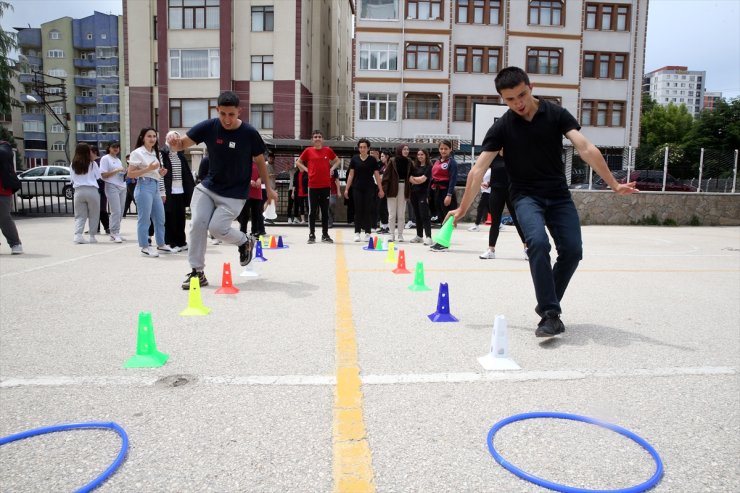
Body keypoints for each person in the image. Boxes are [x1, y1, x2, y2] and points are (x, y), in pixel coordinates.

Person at [448, 66, 637, 337]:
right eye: (510, 99)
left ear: (531, 86)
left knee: (572, 251)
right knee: (537, 243)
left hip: (559, 195)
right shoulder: (502, 126)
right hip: (525, 196)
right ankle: (550, 313)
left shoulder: (556, 114)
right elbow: (478, 170)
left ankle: (549, 306)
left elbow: (585, 148)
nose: (518, 103)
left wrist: (614, 184)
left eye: (522, 95)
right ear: (503, 98)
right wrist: (463, 208)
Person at [166, 91, 277, 289]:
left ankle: (244, 241)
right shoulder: (210, 126)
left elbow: (260, 161)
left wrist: (268, 188)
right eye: (223, 114)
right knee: (198, 224)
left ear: (239, 112)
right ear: (217, 110)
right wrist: (173, 142)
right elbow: (182, 144)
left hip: (234, 194)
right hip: (208, 187)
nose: (226, 119)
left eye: (231, 114)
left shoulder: (249, 133)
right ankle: (197, 272)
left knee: (217, 229)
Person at [127, 127, 172, 257]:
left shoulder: (154, 152)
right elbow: (130, 174)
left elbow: (155, 173)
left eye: (154, 136)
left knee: (160, 218)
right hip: (143, 186)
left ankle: (161, 244)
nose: (152, 139)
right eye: (149, 136)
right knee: (144, 219)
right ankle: (144, 247)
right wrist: (148, 168)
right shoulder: (137, 153)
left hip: (155, 185)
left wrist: (160, 173)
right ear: (142, 138)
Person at [478, 152, 528, 260]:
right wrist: (486, 182)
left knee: (517, 220)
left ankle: (527, 248)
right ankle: (491, 250)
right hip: (496, 191)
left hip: (512, 192)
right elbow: (481, 168)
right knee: (495, 222)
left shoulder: (515, 155)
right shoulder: (493, 156)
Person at [295, 130, 340, 244]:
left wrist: (331, 169)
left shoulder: (328, 150)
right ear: (312, 140)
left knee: (325, 211)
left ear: (322, 139)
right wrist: (307, 170)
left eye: (319, 136)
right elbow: (298, 162)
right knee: (312, 212)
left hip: (325, 186)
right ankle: (312, 235)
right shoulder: (308, 151)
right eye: (315, 137)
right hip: (313, 186)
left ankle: (325, 235)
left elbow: (337, 161)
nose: (317, 138)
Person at [344, 138, 384, 242]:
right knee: (358, 210)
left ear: (368, 148)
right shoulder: (355, 159)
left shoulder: (372, 160)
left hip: (369, 188)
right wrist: (347, 189)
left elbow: (377, 175)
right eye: (361, 147)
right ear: (358, 148)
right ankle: (357, 232)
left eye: (364, 147)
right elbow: (351, 175)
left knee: (367, 210)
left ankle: (367, 233)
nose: (362, 149)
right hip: (357, 188)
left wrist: (381, 189)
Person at [161, 142, 195, 251]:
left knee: (180, 217)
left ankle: (181, 242)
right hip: (169, 191)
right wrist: (162, 191)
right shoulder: (163, 154)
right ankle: (170, 242)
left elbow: (187, 174)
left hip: (180, 190)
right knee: (170, 218)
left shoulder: (180, 155)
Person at [429, 139, 459, 251]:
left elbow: (453, 180)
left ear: (450, 149)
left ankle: (444, 243)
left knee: (447, 218)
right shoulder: (437, 162)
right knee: (441, 217)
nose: (443, 151)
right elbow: (433, 178)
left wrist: (449, 194)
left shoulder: (452, 163)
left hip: (446, 191)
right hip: (437, 191)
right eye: (441, 148)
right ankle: (440, 241)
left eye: (446, 149)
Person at [70, 142, 101, 244]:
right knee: (94, 214)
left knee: (80, 215)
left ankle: (78, 235)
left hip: (78, 191)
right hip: (92, 190)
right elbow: (98, 177)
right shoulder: (93, 163)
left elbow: (72, 179)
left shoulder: (73, 164)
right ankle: (92, 236)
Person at [382, 144, 411, 242]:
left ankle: (400, 234)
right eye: (404, 149)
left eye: (407, 149)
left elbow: (413, 175)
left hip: (404, 187)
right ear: (399, 150)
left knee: (401, 213)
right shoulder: (392, 161)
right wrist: (384, 190)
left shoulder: (409, 162)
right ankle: (391, 234)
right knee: (392, 213)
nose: (406, 151)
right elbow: (386, 176)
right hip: (392, 188)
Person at [99, 142, 127, 243]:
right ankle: (114, 233)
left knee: (121, 211)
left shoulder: (118, 160)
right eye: (113, 147)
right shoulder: (105, 158)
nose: (116, 149)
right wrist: (117, 170)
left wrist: (124, 172)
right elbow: (103, 175)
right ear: (109, 148)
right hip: (111, 185)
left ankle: (115, 232)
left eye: (117, 147)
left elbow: (118, 173)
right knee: (116, 211)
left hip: (122, 186)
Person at [0, 140, 23, 254]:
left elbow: (4, 154)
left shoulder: (4, 146)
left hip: (2, 190)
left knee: (4, 218)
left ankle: (15, 243)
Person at [408, 148, 433, 245]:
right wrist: (416, 179)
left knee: (425, 215)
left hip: (423, 194)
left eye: (422, 154)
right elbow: (410, 179)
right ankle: (419, 236)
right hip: (414, 193)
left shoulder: (429, 167)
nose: (420, 156)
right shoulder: (415, 167)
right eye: (418, 155)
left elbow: (423, 179)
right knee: (417, 215)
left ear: (426, 155)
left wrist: (415, 179)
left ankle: (429, 237)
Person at [237, 162, 266, 238]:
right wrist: (249, 181)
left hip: (257, 191)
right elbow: (240, 175)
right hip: (246, 192)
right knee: (245, 214)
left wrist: (260, 179)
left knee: (256, 214)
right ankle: (243, 232)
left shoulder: (260, 164)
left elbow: (263, 175)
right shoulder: (244, 162)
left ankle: (255, 232)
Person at [468, 167, 491, 232]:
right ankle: (499, 224)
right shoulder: (484, 170)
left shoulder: (491, 170)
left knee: (480, 208)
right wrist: (481, 183)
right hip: (484, 191)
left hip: (488, 192)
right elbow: (480, 180)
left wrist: (488, 184)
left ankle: (476, 225)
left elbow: (493, 180)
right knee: (490, 210)